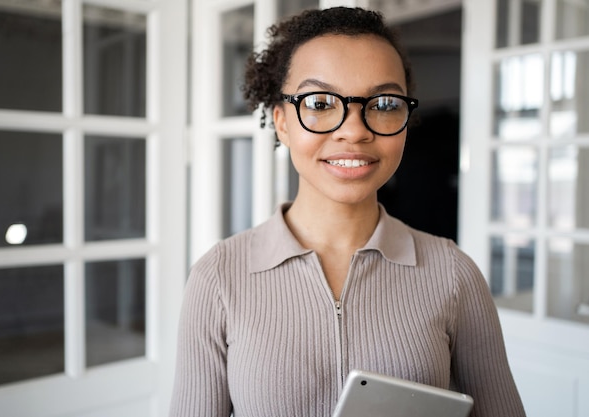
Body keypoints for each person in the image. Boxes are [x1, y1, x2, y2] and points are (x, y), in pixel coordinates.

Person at [170, 6, 526, 417]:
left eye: (385, 103)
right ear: (282, 122)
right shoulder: (218, 277)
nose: (355, 130)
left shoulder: (453, 273)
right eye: (320, 102)